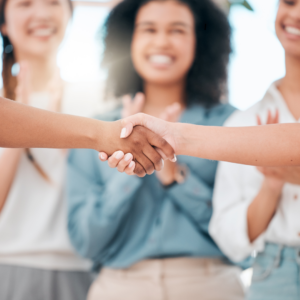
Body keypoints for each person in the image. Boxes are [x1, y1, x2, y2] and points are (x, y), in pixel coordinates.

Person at [67, 0, 246, 299]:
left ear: (199, 39)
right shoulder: (95, 129)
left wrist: (177, 178)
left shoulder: (229, 123)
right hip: (119, 286)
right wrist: (132, 164)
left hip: (210, 284)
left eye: (177, 30)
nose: (162, 41)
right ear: (129, 39)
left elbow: (242, 236)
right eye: (148, 29)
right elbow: (86, 242)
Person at [0, 0, 173, 299]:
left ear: (70, 14)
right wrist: (21, 129)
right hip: (11, 264)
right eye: (25, 3)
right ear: (3, 23)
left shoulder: (100, 100)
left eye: (54, 2)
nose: (41, 13)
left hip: (87, 270)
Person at [208, 0, 300, 299]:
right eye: (289, 2)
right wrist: (271, 187)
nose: (296, 13)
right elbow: (227, 237)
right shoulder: (244, 124)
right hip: (274, 274)